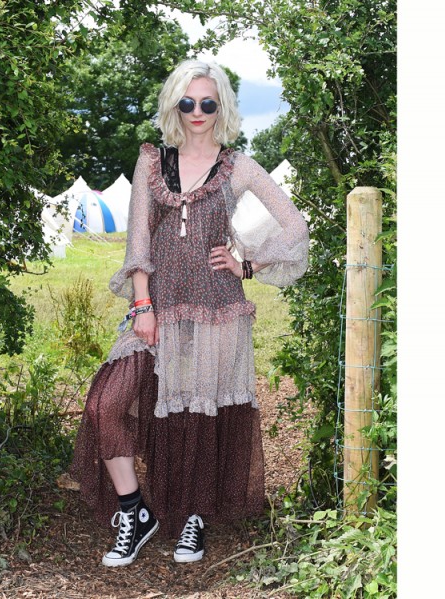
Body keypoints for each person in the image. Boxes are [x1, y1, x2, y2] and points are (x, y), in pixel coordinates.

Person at [69, 59, 310, 567]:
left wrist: (249, 263)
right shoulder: (152, 163)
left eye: (208, 103)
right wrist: (142, 304)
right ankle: (135, 512)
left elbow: (294, 225)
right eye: (187, 102)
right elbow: (137, 242)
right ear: (173, 105)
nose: (197, 112)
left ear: (220, 107)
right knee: (105, 404)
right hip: (156, 309)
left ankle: (195, 519)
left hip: (217, 312)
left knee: (200, 417)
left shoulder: (237, 166)